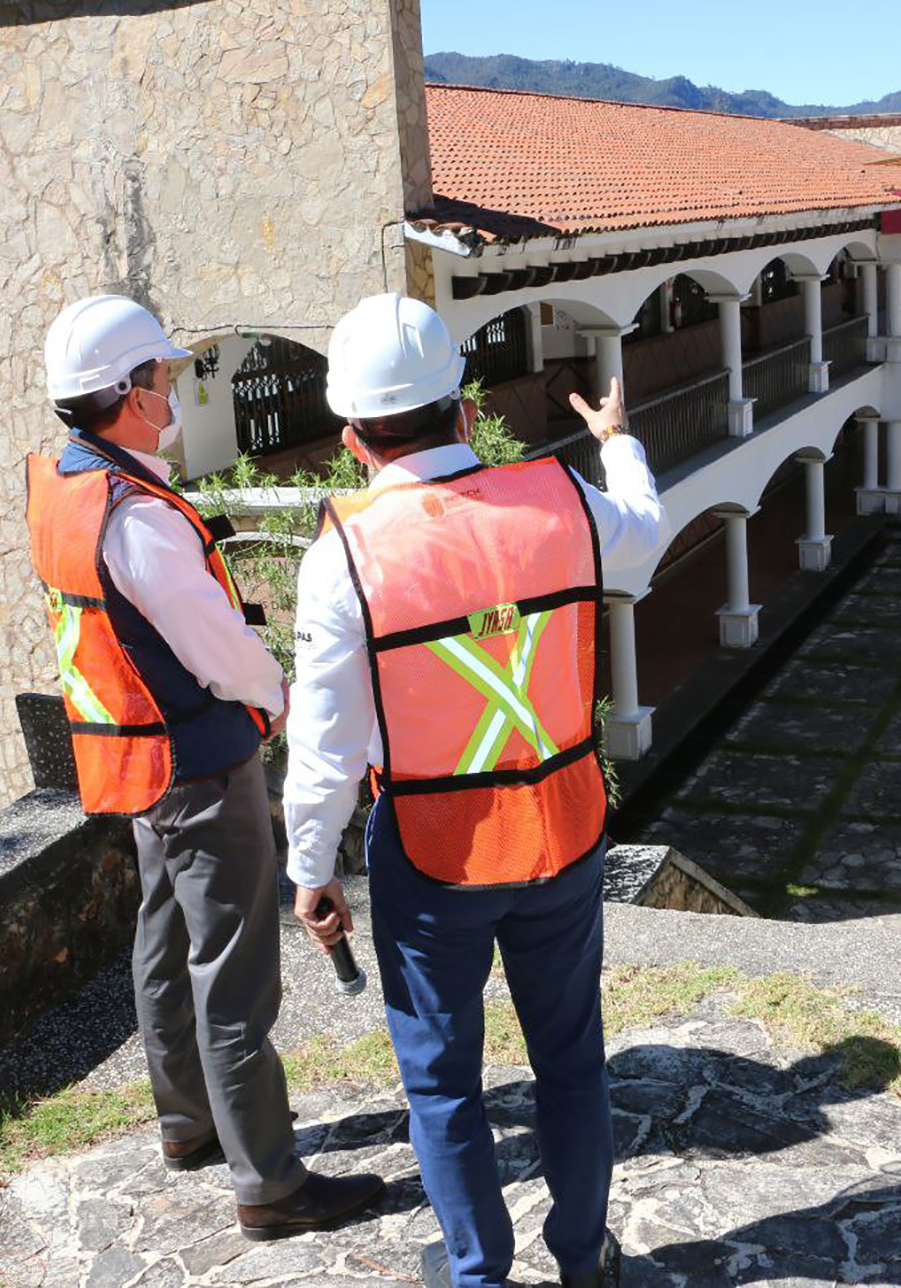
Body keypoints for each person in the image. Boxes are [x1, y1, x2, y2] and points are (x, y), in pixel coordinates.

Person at [284, 293, 665, 1288]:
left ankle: (477, 1276)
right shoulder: (561, 501)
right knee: (571, 1064)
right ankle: (582, 1262)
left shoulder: (343, 558)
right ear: (461, 412)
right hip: (560, 828)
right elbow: (648, 534)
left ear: (356, 439)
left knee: (443, 1087)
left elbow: (322, 743)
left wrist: (309, 866)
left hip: (429, 851)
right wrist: (615, 443)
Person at [26, 295, 383, 1241]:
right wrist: (277, 697)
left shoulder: (68, 483)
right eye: (166, 378)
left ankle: (187, 1124)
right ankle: (270, 1180)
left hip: (138, 759)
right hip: (198, 761)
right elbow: (218, 649)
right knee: (233, 973)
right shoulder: (138, 516)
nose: (176, 390)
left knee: (161, 938)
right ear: (130, 393)